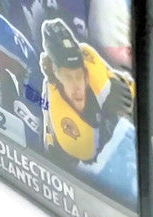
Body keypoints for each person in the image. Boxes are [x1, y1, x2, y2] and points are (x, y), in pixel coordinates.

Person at [39, 19, 134, 164]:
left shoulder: (95, 74)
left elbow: (123, 87)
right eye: (68, 77)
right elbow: (94, 160)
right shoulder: (60, 117)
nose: (77, 87)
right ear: (56, 75)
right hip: (74, 160)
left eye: (79, 76)